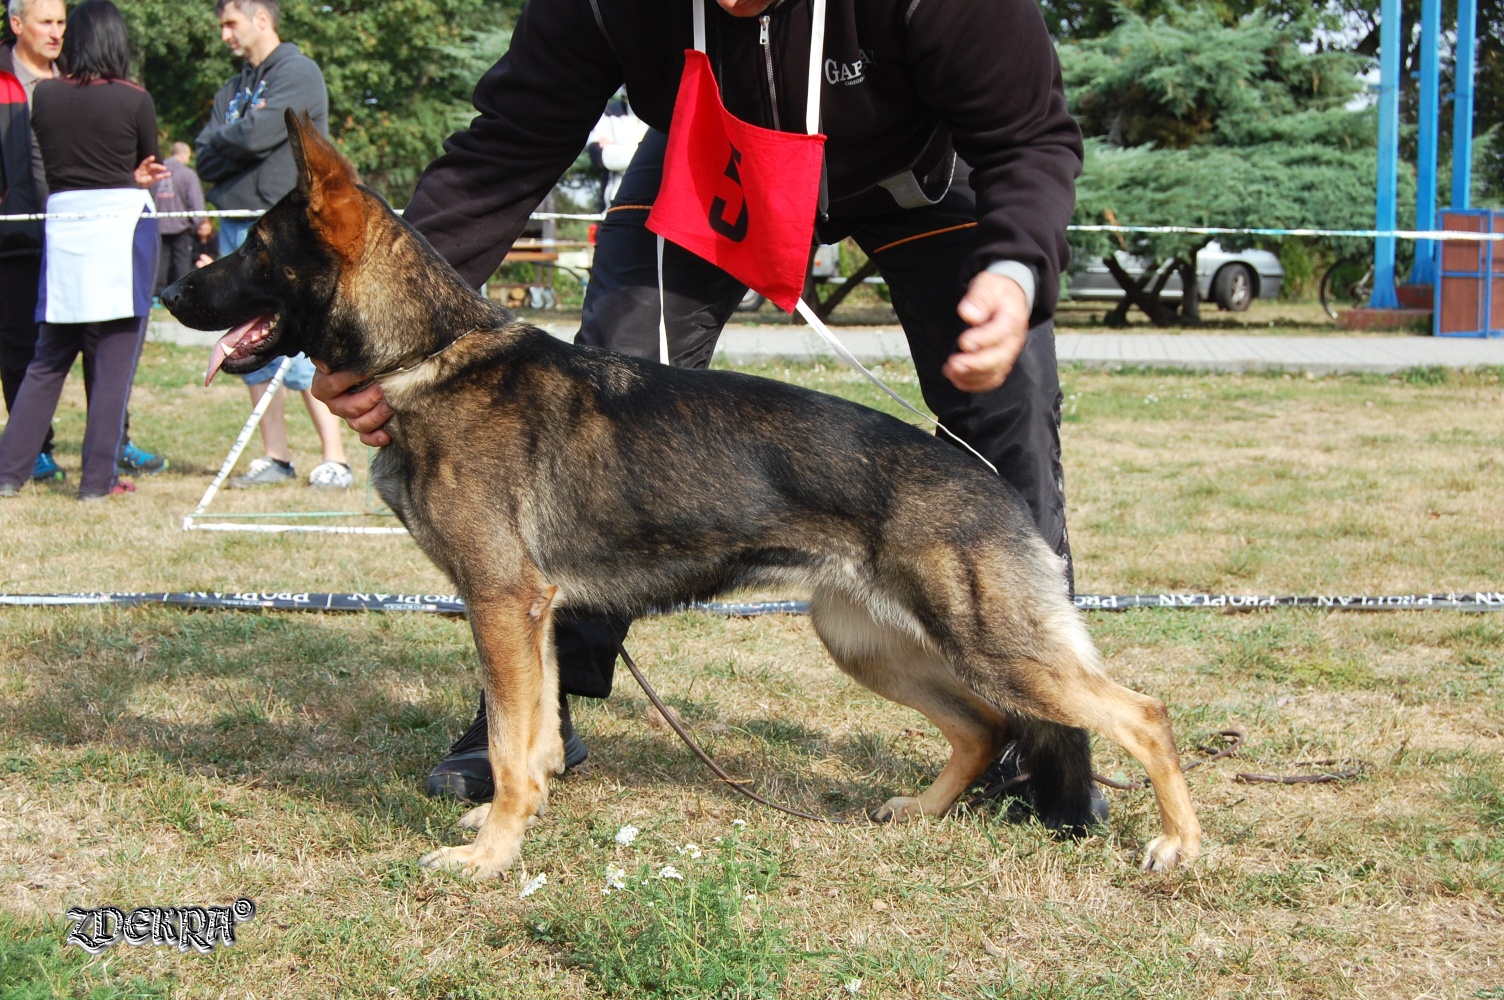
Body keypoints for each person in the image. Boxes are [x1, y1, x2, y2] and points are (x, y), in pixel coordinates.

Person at [315, 0, 1105, 830]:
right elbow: (507, 143)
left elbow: (1030, 135)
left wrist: (1016, 267)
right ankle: (533, 721)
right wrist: (380, 336)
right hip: (711, 158)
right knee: (607, 399)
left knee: (1003, 409)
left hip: (919, 170)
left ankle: (1044, 746)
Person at [0, 0, 168, 500]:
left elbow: (59, 168)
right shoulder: (134, 98)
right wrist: (128, 177)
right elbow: (146, 160)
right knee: (113, 364)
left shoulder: (45, 96)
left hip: (66, 232)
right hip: (119, 232)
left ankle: (8, 472)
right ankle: (97, 482)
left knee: (48, 359)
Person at [194, 0, 351, 490]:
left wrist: (234, 139)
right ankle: (275, 455)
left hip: (287, 233)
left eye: (230, 23)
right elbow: (206, 154)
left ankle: (335, 457)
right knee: (246, 343)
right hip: (238, 226)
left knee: (303, 340)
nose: (225, 34)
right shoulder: (235, 87)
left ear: (261, 19)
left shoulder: (298, 71)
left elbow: (257, 136)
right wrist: (233, 140)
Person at [1, 0, 64, 485]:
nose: (56, 32)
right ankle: (34, 450)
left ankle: (114, 440)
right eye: (46, 22)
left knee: (98, 342)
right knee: (20, 345)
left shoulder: (78, 77)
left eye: (62, 22)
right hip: (14, 238)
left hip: (76, 235)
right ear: (16, 23)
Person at [152, 141, 211, 298]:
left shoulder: (157, 173)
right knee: (181, 263)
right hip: (182, 226)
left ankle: (157, 296)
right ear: (185, 154)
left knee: (160, 262)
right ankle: (181, 295)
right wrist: (197, 224)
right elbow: (196, 202)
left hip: (158, 224)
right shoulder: (187, 174)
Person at [585, 90, 647, 211]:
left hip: (655, 209)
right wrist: (650, 152)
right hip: (615, 208)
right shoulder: (609, 112)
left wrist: (615, 150)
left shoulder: (666, 113)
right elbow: (597, 156)